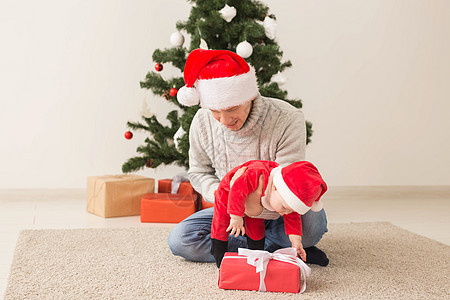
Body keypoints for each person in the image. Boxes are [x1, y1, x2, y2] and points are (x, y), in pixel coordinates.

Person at [168, 49, 329, 266]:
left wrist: (258, 208)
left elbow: (290, 185)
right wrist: (226, 196)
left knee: (311, 225)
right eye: (215, 111)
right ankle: (280, 250)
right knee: (180, 240)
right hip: (231, 208)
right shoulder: (202, 121)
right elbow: (199, 171)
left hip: (280, 207)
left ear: (249, 96)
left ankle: (253, 248)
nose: (223, 120)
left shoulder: (287, 118)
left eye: (232, 108)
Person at [211, 160, 327, 267]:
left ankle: (257, 255)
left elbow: (292, 217)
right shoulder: (256, 174)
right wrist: (236, 217)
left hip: (258, 204)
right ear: (274, 187)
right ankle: (219, 255)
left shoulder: (286, 196)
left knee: (256, 229)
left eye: (289, 210)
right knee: (221, 225)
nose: (284, 213)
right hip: (229, 193)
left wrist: (296, 242)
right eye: (284, 208)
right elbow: (237, 189)